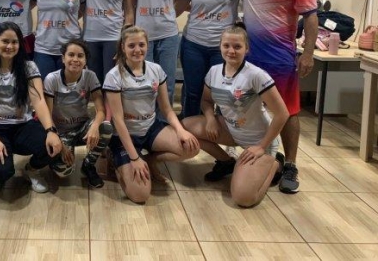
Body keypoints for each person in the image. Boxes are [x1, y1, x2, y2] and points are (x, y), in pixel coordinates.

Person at [241, 0, 318, 194]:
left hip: (280, 59)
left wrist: (307, 53)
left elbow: (310, 17)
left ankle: (291, 165)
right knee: (247, 110)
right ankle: (255, 156)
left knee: (289, 111)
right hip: (249, 60)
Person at [182, 24, 289, 207]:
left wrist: (261, 146)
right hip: (232, 131)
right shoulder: (214, 71)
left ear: (246, 49)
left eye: (237, 47)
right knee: (186, 126)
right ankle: (226, 162)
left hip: (259, 142)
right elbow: (206, 101)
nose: (231, 51)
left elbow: (282, 113)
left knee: (243, 198)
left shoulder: (256, 75)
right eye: (226, 46)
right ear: (220, 47)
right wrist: (210, 119)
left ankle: (275, 164)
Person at [103, 26, 199, 203]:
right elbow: (118, 120)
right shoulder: (114, 76)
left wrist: (180, 130)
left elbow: (167, 109)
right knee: (140, 195)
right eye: (131, 45)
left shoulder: (155, 70)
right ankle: (116, 160)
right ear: (123, 47)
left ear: (147, 46)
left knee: (191, 147)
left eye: (141, 44)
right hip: (126, 135)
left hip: (150, 129)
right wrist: (133, 158)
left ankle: (149, 159)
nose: (137, 50)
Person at [0, 22, 63, 193]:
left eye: (14, 42)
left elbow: (39, 101)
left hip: (22, 125)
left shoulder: (29, 67)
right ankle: (2, 157)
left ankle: (31, 170)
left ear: (20, 45)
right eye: (5, 41)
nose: (10, 46)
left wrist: (51, 131)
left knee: (55, 146)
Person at [175, 0, 244, 118]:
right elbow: (177, 9)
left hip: (222, 47)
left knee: (222, 93)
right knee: (193, 92)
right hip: (193, 44)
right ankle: (190, 131)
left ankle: (223, 133)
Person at [44, 39, 112, 188]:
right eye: (71, 55)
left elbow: (101, 110)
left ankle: (88, 165)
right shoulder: (52, 79)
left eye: (80, 56)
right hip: (60, 132)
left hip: (82, 128)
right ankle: (56, 159)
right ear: (63, 58)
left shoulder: (90, 76)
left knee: (106, 128)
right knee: (64, 171)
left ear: (86, 59)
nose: (75, 59)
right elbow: (47, 115)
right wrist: (60, 143)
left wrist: (94, 126)